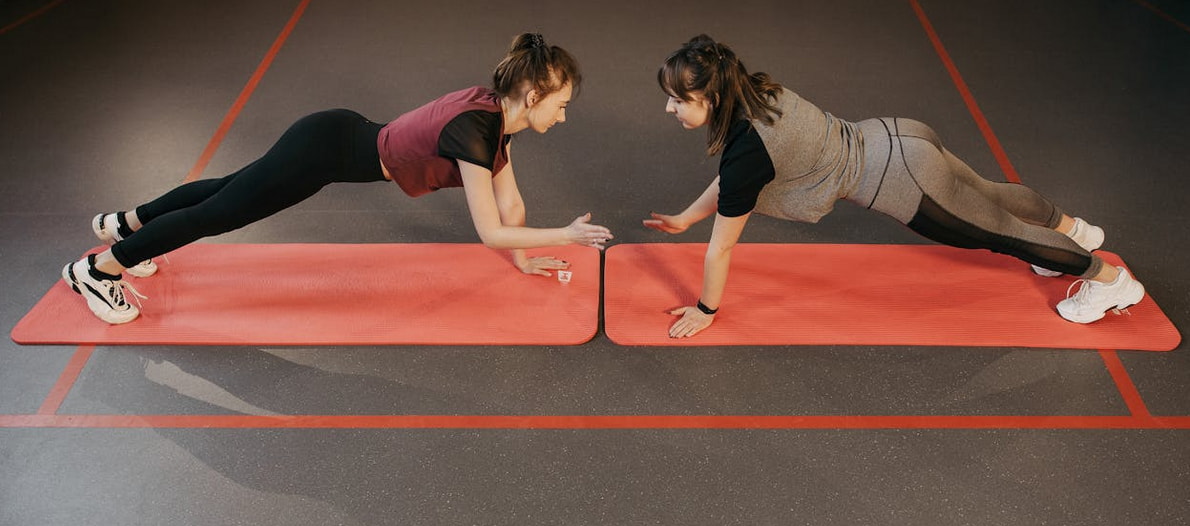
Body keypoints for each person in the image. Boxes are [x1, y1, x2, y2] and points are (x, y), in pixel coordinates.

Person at [64, 32, 613, 324]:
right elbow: (491, 229)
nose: (562, 116)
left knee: (230, 187)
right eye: (561, 105)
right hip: (323, 152)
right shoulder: (476, 132)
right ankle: (99, 269)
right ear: (534, 96)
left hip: (332, 137)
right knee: (220, 212)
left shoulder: (495, 118)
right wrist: (564, 235)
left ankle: (123, 223)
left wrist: (526, 255)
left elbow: (509, 203)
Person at [644, 34, 1146, 338]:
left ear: (711, 96)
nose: (670, 109)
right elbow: (734, 183)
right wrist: (689, 216)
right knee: (990, 193)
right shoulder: (757, 89)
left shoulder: (747, 152)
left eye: (677, 100)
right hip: (896, 135)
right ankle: (1074, 229)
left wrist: (708, 310)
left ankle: (1109, 283)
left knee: (1001, 233)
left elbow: (721, 248)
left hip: (905, 181)